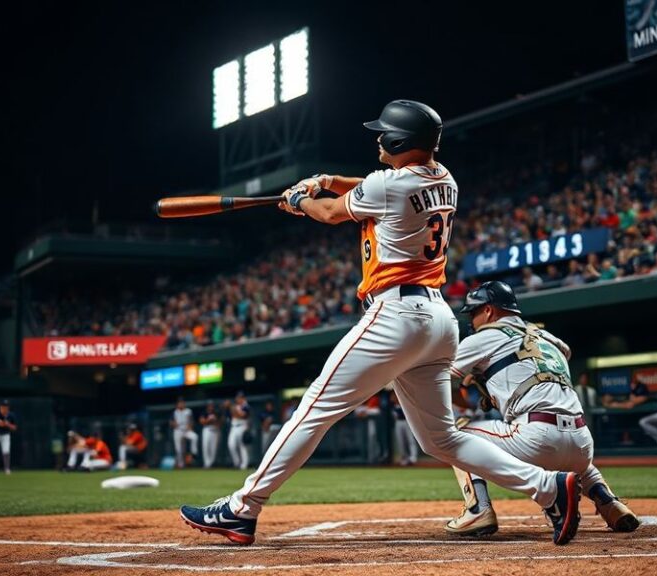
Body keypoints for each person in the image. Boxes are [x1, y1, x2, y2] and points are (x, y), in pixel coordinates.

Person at [180, 99, 581, 547]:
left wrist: (303, 200)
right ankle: (549, 489)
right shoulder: (443, 177)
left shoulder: (390, 186)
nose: (376, 139)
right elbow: (374, 188)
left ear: (398, 141)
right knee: (441, 439)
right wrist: (327, 182)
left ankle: (242, 509)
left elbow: (334, 213)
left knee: (315, 408)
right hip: (439, 320)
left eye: (383, 133)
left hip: (397, 315)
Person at [444, 282, 638, 537]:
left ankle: (478, 509)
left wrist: (475, 389)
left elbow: (440, 381)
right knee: (576, 461)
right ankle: (610, 503)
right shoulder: (546, 337)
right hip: (582, 442)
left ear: (489, 311)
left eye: (474, 312)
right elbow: (564, 352)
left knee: (455, 437)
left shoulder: (484, 337)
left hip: (536, 437)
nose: (472, 319)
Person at [390, 390, 418, 466]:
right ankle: (404, 458)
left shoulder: (404, 402)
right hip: (398, 423)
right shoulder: (393, 406)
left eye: (394, 396)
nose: (393, 397)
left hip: (407, 422)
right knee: (401, 441)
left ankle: (413, 457)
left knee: (410, 440)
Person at [171, 397, 198, 468]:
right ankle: (181, 464)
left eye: (182, 403)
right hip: (178, 431)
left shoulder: (188, 411)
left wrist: (190, 427)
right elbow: (171, 422)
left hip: (186, 430)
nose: (181, 404)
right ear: (177, 404)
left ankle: (193, 452)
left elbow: (191, 420)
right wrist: (173, 424)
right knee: (179, 450)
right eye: (179, 403)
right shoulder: (175, 412)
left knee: (194, 437)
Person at [227, 391, 251, 470]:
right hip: (234, 427)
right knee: (231, 444)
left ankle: (244, 464)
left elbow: (242, 415)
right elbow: (233, 414)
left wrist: (234, 409)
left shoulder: (246, 406)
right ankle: (236, 462)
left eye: (239, 397)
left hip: (242, 427)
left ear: (243, 398)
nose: (237, 399)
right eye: (237, 397)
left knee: (242, 446)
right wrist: (233, 409)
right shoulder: (236, 406)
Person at [200, 401, 222, 469]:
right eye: (209, 405)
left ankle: (210, 463)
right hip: (207, 430)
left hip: (215, 430)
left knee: (213, 449)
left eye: (212, 405)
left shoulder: (217, 413)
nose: (211, 407)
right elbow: (202, 422)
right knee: (205, 447)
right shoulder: (204, 412)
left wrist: (215, 420)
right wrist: (208, 420)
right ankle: (206, 464)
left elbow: (220, 423)